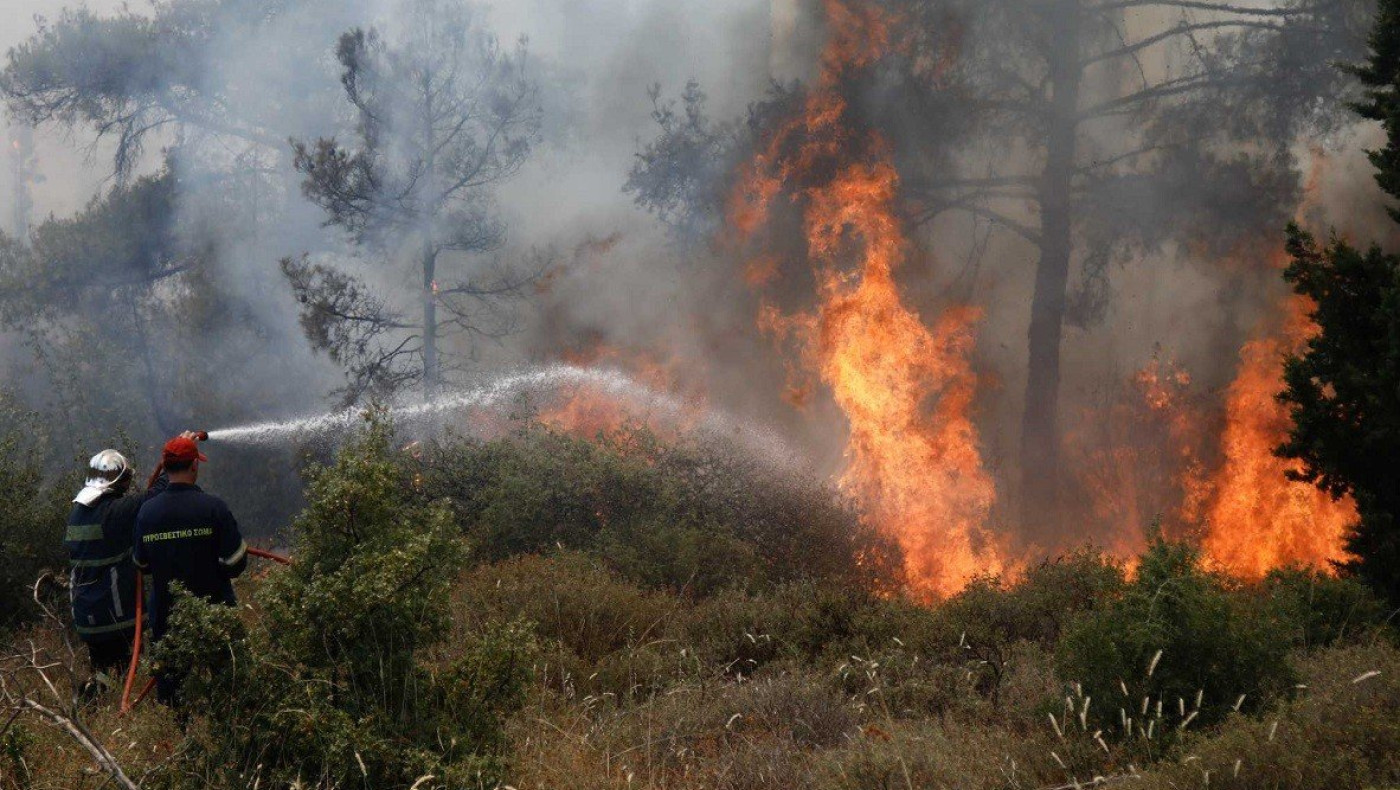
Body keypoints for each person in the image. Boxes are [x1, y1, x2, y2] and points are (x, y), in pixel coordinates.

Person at [133, 433, 247, 704]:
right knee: (228, 684)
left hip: (167, 616)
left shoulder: (147, 513)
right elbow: (236, 562)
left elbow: (141, 564)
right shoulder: (214, 508)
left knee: (173, 693)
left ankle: (179, 733)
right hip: (215, 612)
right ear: (195, 465)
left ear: (167, 468)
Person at [65, 447, 169, 699]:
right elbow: (156, 495)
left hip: (85, 613)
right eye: (125, 479)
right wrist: (172, 461)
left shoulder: (78, 512)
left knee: (106, 667)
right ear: (118, 480)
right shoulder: (115, 511)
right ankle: (92, 702)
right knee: (121, 667)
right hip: (113, 612)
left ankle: (92, 695)